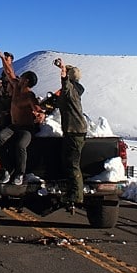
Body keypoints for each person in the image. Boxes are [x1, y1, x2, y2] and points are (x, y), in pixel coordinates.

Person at [0, 50, 44, 186]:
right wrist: (2, 59)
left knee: (20, 145)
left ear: (26, 81)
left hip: (26, 128)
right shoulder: (16, 86)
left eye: (22, 77)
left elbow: (37, 108)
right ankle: (8, 170)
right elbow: (9, 72)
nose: (19, 77)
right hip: (14, 126)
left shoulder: (30, 96)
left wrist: (40, 114)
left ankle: (20, 174)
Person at [54, 57, 88, 210]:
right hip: (74, 131)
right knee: (68, 160)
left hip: (74, 131)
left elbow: (65, 85)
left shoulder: (70, 91)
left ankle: (77, 195)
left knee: (73, 163)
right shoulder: (75, 91)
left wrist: (62, 70)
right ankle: (72, 189)